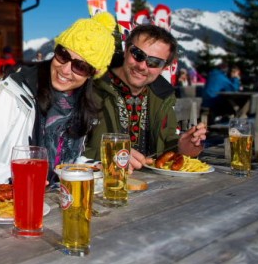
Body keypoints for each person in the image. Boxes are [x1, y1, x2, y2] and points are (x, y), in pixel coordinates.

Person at [0, 12, 118, 183]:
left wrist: (96, 166)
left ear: (93, 74)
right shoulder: (13, 92)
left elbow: (63, 163)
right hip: (10, 199)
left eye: (80, 66)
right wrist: (22, 175)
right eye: (63, 55)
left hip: (56, 198)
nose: (65, 70)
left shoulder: (78, 101)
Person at [84, 24, 207, 171]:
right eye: (137, 54)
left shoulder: (162, 95)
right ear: (126, 51)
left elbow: (167, 139)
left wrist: (183, 148)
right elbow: (63, 150)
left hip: (152, 186)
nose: (142, 66)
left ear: (164, 68)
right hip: (102, 184)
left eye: (154, 62)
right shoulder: (90, 87)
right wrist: (110, 156)